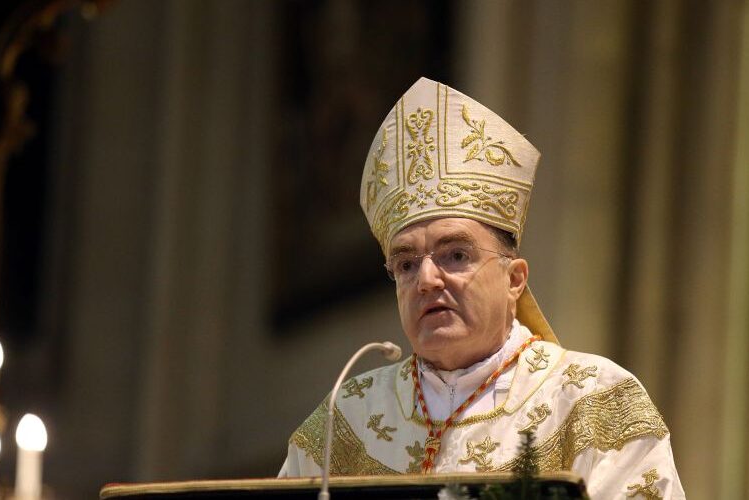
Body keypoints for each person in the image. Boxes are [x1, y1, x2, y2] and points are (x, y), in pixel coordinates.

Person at [279, 77, 685, 499]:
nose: (426, 280)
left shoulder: (592, 400)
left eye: (455, 255)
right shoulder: (345, 422)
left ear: (515, 280)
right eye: (406, 264)